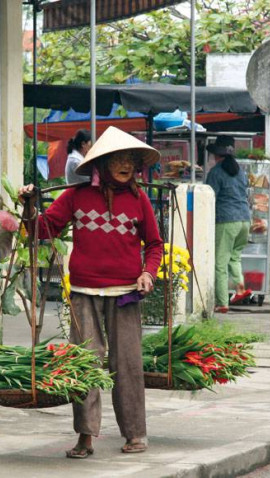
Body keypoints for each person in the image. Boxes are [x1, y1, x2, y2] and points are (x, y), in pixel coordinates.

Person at [18, 126, 163, 458]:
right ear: (103, 163)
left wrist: (148, 273)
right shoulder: (75, 196)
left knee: (127, 363)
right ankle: (85, 435)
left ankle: (136, 433)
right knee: (86, 364)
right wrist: (29, 205)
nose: (127, 165)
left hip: (126, 293)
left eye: (131, 160)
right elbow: (43, 229)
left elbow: (154, 245)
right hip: (84, 292)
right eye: (119, 159)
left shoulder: (139, 199)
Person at [205, 136, 251, 313]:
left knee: (220, 262)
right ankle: (240, 288)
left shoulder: (216, 172)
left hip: (226, 220)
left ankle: (222, 302)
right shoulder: (240, 171)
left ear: (216, 155)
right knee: (235, 257)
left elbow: (209, 197)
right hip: (244, 220)